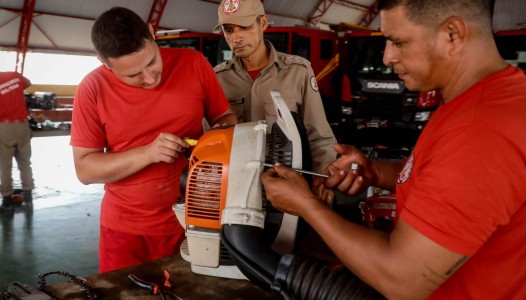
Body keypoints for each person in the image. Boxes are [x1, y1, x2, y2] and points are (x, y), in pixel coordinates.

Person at [261, 0, 526, 299]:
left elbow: (402, 280)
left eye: (398, 42)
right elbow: (448, 175)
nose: (388, 57)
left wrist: (307, 205)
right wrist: (375, 172)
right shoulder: (486, 99)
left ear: (453, 34)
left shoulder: (481, 130)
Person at [70, 7, 237, 273]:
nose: (150, 78)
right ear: (104, 62)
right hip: (125, 231)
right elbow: (85, 170)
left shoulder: (193, 63)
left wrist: (212, 144)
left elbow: (226, 117)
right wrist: (148, 153)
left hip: (197, 219)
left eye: (151, 62)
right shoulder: (92, 89)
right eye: (132, 75)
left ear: (151, 32)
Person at [213, 0, 337, 173]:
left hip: (286, 184)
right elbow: (208, 142)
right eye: (229, 30)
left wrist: (322, 177)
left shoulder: (297, 72)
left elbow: (319, 137)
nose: (236, 38)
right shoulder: (217, 79)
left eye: (245, 27)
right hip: (235, 183)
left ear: (263, 23)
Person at [0, 63, 35, 215]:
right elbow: (27, 83)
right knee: (25, 164)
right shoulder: (15, 76)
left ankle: (7, 203)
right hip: (23, 126)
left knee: (5, 166)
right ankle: (28, 199)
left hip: (5, 128)